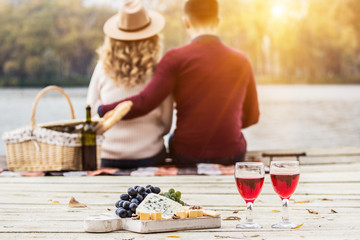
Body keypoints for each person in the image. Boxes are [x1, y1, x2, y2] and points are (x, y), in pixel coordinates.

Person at [98, 0, 260, 167]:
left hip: (187, 155)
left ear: (186, 22)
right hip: (232, 154)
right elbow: (253, 116)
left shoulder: (175, 58)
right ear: (218, 21)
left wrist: (102, 110)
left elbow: (145, 102)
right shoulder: (242, 60)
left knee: (174, 140)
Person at [87, 0, 173, 169]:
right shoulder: (160, 71)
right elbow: (166, 124)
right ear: (153, 37)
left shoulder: (102, 67)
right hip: (148, 155)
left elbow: (89, 114)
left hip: (106, 156)